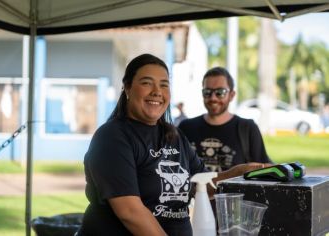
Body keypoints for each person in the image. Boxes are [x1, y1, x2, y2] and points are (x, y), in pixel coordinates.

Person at [78, 55, 270, 236]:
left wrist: (240, 172)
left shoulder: (173, 135)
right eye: (147, 83)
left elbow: (201, 184)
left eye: (164, 84)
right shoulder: (112, 137)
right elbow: (130, 211)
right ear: (127, 88)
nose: (157, 91)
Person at [179, 67, 272, 172]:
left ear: (232, 95)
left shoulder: (247, 128)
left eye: (220, 92)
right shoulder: (186, 127)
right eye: (207, 92)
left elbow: (263, 170)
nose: (213, 98)